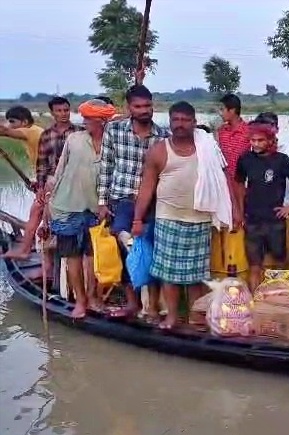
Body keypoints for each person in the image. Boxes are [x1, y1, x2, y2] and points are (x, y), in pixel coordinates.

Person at [132, 101, 222, 330]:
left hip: (200, 219)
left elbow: (223, 179)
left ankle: (195, 316)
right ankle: (172, 316)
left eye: (185, 120)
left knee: (196, 275)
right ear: (170, 122)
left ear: (194, 122)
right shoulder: (159, 150)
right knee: (169, 274)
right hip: (168, 218)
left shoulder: (207, 148)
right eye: (176, 120)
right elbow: (146, 187)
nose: (180, 124)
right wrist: (137, 219)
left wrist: (234, 212)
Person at [97, 84, 169, 319]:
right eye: (138, 106)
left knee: (152, 253)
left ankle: (154, 308)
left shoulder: (163, 136)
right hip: (122, 199)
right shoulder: (114, 130)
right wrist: (102, 202)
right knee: (126, 251)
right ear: (129, 108)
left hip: (152, 202)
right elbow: (106, 167)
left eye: (147, 105)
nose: (143, 110)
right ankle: (132, 304)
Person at [45, 99, 116, 319]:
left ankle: (94, 298)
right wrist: (48, 202)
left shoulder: (114, 143)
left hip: (97, 209)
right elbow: (59, 171)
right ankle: (81, 301)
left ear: (102, 121)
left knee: (93, 256)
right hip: (66, 206)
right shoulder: (74, 139)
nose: (85, 122)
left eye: (90, 119)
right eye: (84, 118)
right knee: (72, 256)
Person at [3, 98, 82, 261]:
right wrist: (39, 184)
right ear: (52, 113)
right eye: (58, 111)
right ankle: (42, 255)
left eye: (66, 110)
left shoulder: (31, 131)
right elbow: (42, 163)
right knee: (42, 216)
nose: (63, 114)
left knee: (40, 215)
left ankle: (28, 251)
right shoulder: (46, 134)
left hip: (70, 183)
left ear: (24, 121)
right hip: (50, 182)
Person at [234, 122, 289, 290]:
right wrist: (240, 211)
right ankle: (255, 303)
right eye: (253, 140)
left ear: (270, 141)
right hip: (252, 220)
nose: (255, 144)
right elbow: (239, 185)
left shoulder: (281, 160)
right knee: (254, 266)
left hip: (275, 221)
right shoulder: (245, 159)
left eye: (260, 140)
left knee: (278, 264)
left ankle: (277, 301)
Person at [216, 93, 250, 183]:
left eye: (222, 110)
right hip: (223, 181)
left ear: (232, 110)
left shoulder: (248, 131)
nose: (220, 113)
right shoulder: (221, 131)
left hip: (242, 182)